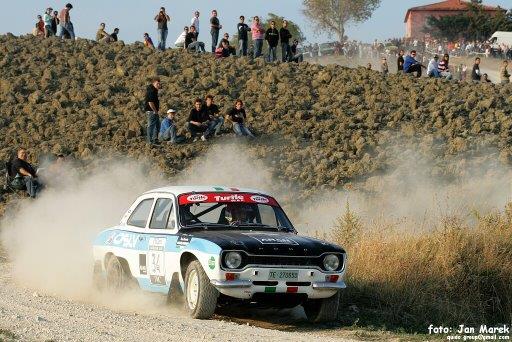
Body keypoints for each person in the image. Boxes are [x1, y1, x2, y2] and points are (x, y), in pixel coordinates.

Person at [144, 77, 162, 145]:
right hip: (151, 111)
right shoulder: (151, 91)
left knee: (157, 125)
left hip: (154, 111)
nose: (159, 85)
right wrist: (155, 111)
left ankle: (155, 140)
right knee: (151, 126)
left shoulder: (154, 90)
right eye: (157, 84)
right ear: (153, 83)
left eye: (159, 84)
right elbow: (150, 102)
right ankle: (149, 141)